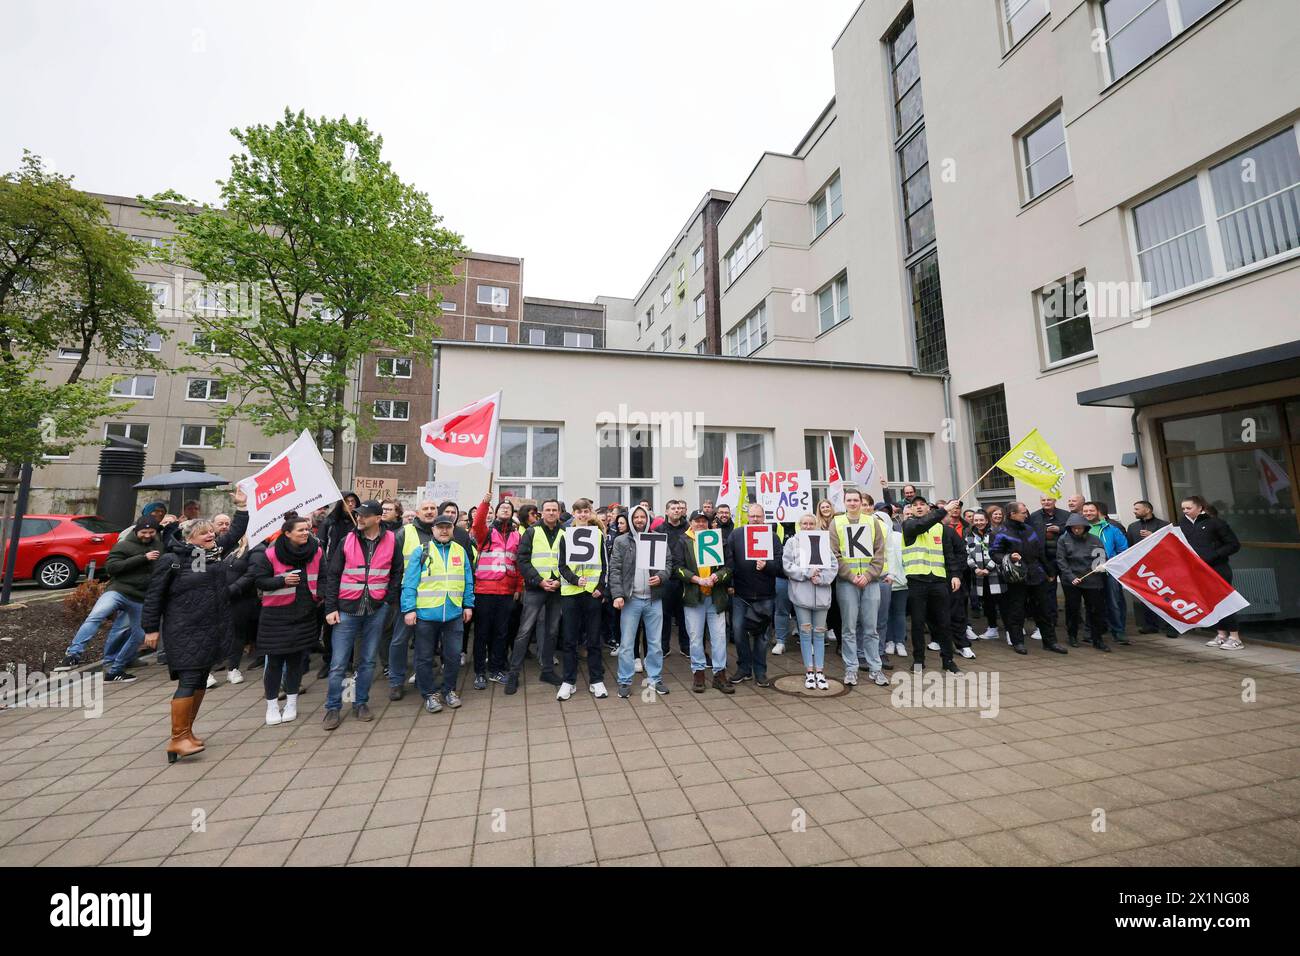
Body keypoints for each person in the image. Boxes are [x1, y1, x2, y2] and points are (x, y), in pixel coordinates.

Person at [141, 517, 244, 763]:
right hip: (184, 629)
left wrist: (242, 507)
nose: (210, 536)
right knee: (188, 679)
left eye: (211, 532)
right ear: (189, 539)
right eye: (203, 534)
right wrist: (150, 628)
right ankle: (177, 738)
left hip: (209, 628)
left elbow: (235, 533)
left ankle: (187, 732)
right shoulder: (172, 560)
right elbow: (154, 596)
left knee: (198, 679)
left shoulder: (204, 557)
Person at [320, 501, 403, 729]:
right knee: (338, 663)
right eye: (358, 514)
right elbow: (333, 576)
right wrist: (330, 608)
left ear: (378, 518)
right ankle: (333, 707)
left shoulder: (391, 541)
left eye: (365, 515)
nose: (360, 518)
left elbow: (397, 572)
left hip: (376, 609)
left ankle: (360, 702)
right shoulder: (347, 540)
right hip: (347, 609)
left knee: (367, 662)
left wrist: (387, 601)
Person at [57, 518, 165, 677]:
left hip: (141, 597)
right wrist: (143, 558)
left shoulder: (159, 546)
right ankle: (73, 654)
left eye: (151, 532)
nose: (147, 535)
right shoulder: (123, 545)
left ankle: (116, 667)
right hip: (118, 591)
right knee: (96, 616)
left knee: (140, 634)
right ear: (136, 531)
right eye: (144, 532)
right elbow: (112, 568)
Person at [249, 515, 324, 726]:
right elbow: (259, 580)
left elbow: (324, 576)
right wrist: (281, 580)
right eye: (300, 530)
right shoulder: (271, 553)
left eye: (307, 529)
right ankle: (272, 705)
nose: (305, 533)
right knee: (274, 662)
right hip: (276, 615)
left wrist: (320, 596)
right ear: (287, 533)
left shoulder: (316, 551)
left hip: (305, 613)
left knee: (296, 661)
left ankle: (292, 702)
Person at [402, 513, 474, 714]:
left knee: (452, 656)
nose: (444, 530)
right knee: (424, 657)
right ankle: (429, 694)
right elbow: (409, 583)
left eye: (448, 527)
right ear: (432, 529)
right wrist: (409, 609)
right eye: (440, 527)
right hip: (426, 614)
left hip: (453, 614)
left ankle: (449, 690)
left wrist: (468, 605)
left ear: (452, 529)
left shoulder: (460, 550)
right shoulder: (422, 551)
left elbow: (467, 580)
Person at [609, 504, 671, 698]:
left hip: (654, 599)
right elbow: (615, 570)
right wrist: (617, 594)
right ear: (630, 519)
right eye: (635, 517)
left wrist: (661, 577)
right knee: (627, 644)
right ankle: (625, 680)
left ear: (647, 519)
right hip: (631, 599)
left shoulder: (658, 539)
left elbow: (668, 564)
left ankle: (655, 678)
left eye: (642, 517)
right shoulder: (621, 541)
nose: (639, 520)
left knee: (655, 643)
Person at [991, 501, 1067, 656]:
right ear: (1013, 514)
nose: (1026, 515)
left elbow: (1040, 552)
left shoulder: (1029, 529)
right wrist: (1009, 557)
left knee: (1044, 609)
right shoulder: (999, 532)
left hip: (1036, 574)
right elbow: (995, 553)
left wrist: (1049, 571)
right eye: (1023, 512)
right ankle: (1017, 642)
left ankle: (1050, 642)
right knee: (1016, 610)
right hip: (1016, 576)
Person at [508, 498, 566, 693]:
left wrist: (559, 580)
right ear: (542, 513)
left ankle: (547, 670)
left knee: (551, 632)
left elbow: (569, 561)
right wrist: (539, 581)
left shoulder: (565, 533)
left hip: (556, 588)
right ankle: (514, 674)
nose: (551, 513)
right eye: (548, 510)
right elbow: (522, 561)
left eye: (554, 510)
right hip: (536, 588)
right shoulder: (532, 531)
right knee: (525, 631)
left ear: (559, 513)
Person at [830, 489, 887, 687]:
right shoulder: (836, 523)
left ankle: (875, 669)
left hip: (870, 582)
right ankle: (851, 669)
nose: (853, 503)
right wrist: (852, 576)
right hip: (847, 583)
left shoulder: (872, 522)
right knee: (849, 628)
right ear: (844, 502)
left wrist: (869, 575)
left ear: (861, 502)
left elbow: (880, 552)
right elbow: (834, 554)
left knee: (871, 628)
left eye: (856, 500)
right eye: (849, 500)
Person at [726, 502, 783, 688]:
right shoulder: (736, 535)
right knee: (739, 633)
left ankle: (760, 672)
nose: (755, 519)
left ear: (764, 518)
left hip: (765, 596)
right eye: (752, 516)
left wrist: (767, 566)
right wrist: (731, 584)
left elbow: (780, 567)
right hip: (741, 594)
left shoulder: (772, 537)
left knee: (762, 637)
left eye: (758, 516)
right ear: (747, 517)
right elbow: (730, 561)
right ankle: (744, 669)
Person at [901, 498, 962, 673]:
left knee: (944, 622)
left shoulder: (941, 529)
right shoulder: (909, 525)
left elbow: (948, 554)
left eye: (922, 505)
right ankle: (919, 660)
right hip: (917, 581)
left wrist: (955, 575)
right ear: (911, 510)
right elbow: (921, 526)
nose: (919, 507)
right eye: (915, 505)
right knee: (918, 623)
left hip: (938, 581)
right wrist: (943, 511)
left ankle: (948, 660)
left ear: (928, 508)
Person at [387, 499, 440, 697]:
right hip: (407, 595)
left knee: (425, 642)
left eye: (432, 508)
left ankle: (422, 677)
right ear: (417, 513)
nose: (429, 511)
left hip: (432, 597)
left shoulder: (441, 533)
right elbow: (392, 563)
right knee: (400, 640)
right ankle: (396, 681)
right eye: (425, 509)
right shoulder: (404, 532)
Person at [557, 498, 608, 701]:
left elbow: (605, 565)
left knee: (594, 639)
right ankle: (568, 681)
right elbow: (562, 565)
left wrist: (600, 588)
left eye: (586, 511)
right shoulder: (565, 536)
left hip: (592, 594)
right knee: (570, 639)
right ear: (574, 513)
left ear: (590, 513)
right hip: (571, 592)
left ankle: (596, 680)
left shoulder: (598, 536)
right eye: (578, 511)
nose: (582, 515)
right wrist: (576, 580)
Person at [678, 510, 734, 693]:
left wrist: (717, 577)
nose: (701, 524)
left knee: (719, 638)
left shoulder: (718, 540)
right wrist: (697, 579)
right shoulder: (683, 541)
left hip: (715, 597)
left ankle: (719, 674)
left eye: (704, 521)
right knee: (695, 638)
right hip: (694, 598)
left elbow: (728, 567)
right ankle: (699, 672)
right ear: (691, 523)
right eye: (697, 521)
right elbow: (677, 568)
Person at [470, 493, 522, 689]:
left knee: (501, 633)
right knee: (482, 633)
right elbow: (477, 524)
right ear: (496, 512)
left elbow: (518, 563)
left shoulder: (517, 535)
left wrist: (518, 586)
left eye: (509, 508)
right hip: (485, 590)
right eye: (502, 508)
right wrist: (485, 503)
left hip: (507, 592)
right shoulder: (486, 533)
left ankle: (496, 669)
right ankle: (479, 673)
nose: (506, 509)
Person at [1179, 495, 1243, 649]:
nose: (1185, 511)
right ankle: (1221, 634)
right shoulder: (1183, 525)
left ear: (1200, 508)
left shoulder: (1215, 523)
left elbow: (1233, 544)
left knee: (1225, 601)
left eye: (1189, 508)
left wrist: (1212, 556)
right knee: (1212, 603)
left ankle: (1235, 637)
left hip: (1218, 568)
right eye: (1183, 509)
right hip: (1198, 570)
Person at [784, 513, 839, 690]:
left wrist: (821, 578)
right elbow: (787, 566)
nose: (808, 526)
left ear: (815, 525)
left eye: (811, 523)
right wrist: (807, 573)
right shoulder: (792, 542)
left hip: (822, 596)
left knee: (820, 634)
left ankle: (820, 671)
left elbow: (833, 564)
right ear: (800, 525)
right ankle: (809, 671)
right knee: (805, 633)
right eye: (804, 523)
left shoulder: (823, 542)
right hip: (801, 596)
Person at [1057, 513, 1110, 650]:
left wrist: (1101, 566)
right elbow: (1061, 561)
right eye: (1074, 528)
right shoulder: (1063, 540)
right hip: (1072, 581)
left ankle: (1097, 639)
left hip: (1092, 579)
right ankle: (1072, 636)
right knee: (1073, 609)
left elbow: (1102, 556)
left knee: (1095, 610)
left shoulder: (1095, 539)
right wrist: (1070, 577)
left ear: (1085, 528)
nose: (1076, 530)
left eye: (1079, 528)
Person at [1083, 501, 1130, 645]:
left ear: (1098, 512)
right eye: (1085, 511)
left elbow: (1123, 549)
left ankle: (1118, 631)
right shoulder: (1078, 528)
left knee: (1114, 602)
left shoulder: (1112, 529)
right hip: (1089, 573)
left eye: (1091, 510)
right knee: (1091, 604)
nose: (1088, 513)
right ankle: (1091, 631)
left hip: (1109, 571)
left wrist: (1111, 563)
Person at [1127, 500, 1173, 635]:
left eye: (1137, 509)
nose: (1134, 511)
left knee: (1166, 597)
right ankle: (1150, 624)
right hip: (1142, 568)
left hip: (1162, 567)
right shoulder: (1132, 527)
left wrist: (1154, 536)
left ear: (1147, 510)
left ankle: (1170, 627)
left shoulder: (1164, 525)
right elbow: (1129, 547)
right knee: (1146, 597)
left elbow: (1171, 545)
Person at [653, 499, 690, 656]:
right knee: (665, 614)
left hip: (685, 578)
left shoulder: (689, 529)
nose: (676, 510)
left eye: (678, 508)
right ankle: (664, 647)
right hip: (666, 578)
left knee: (684, 615)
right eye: (672, 508)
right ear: (666, 512)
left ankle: (685, 646)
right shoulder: (659, 530)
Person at [221, 532, 258, 683]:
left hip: (241, 598)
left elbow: (251, 574)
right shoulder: (234, 549)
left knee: (238, 634)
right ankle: (208, 671)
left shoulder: (256, 549)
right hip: (223, 598)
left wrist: (232, 590)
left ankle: (233, 668)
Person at [941, 506, 977, 659]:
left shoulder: (949, 532)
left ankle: (962, 644)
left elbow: (962, 552)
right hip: (932, 580)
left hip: (952, 578)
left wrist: (956, 573)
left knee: (957, 612)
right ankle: (941, 642)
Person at [966, 510, 1002, 640]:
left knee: (1002, 603)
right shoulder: (969, 535)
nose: (979, 523)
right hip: (979, 576)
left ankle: (1011, 630)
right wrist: (975, 568)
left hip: (995, 575)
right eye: (976, 520)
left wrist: (988, 568)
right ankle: (992, 628)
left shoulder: (994, 534)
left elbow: (999, 553)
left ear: (987, 520)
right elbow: (968, 554)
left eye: (981, 520)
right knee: (988, 603)